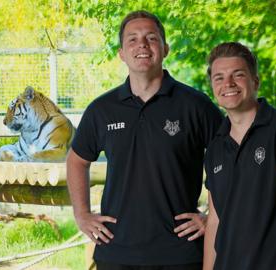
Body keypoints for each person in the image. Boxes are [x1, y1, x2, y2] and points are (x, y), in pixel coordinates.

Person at [66, 10, 223, 270]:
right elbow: (76, 161)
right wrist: (81, 215)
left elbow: (228, 161)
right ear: (122, 53)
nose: (142, 44)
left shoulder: (195, 105)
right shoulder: (102, 110)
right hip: (117, 252)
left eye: (151, 38)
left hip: (180, 253)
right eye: (133, 39)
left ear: (165, 49)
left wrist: (212, 217)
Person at [203, 42, 276, 270]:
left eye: (237, 75)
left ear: (255, 82)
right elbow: (215, 221)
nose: (227, 83)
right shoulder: (214, 149)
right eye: (219, 77)